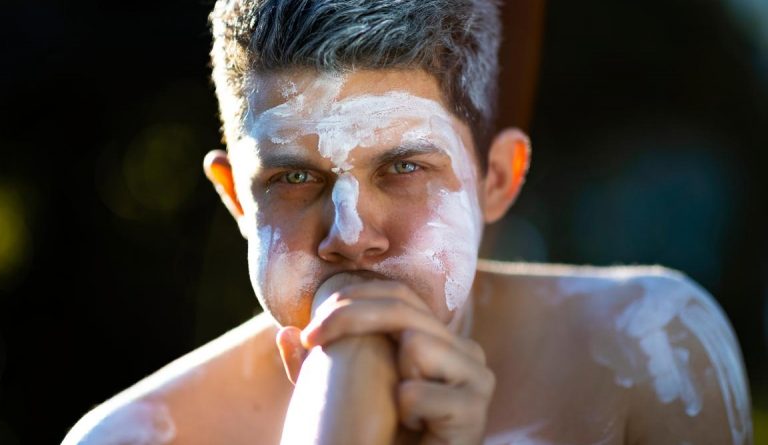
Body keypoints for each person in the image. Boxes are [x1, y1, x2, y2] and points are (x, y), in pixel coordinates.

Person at [63, 0, 753, 443]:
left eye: (403, 169)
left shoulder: (650, 353)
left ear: (495, 179)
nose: (351, 234)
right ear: (238, 198)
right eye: (293, 178)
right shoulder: (137, 437)